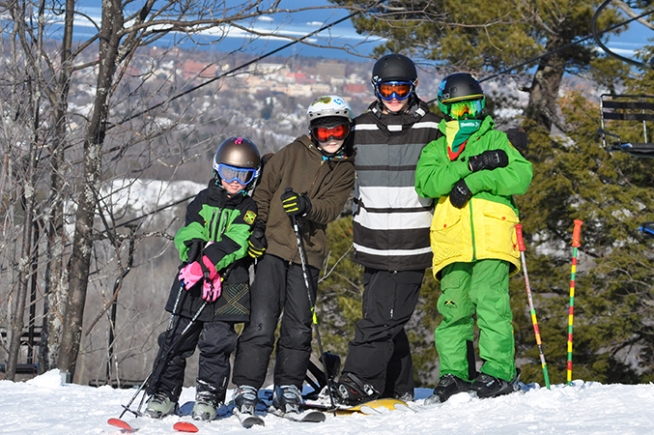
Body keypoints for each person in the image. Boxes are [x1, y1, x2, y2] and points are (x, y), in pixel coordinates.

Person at [231, 95, 356, 415]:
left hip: (307, 253)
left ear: (347, 130)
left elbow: (330, 208)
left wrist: (307, 207)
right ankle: (247, 385)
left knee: (299, 325)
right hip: (273, 247)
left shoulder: (345, 168)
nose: (331, 139)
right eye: (324, 133)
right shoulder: (290, 153)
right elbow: (262, 192)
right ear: (313, 132)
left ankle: (289, 384)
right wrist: (256, 231)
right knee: (261, 321)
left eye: (338, 132)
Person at [414, 72, 533, 403]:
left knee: (489, 300)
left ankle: (498, 371)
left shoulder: (496, 140)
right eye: (458, 110)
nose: (466, 116)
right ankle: (456, 373)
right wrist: (473, 165)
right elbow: (428, 183)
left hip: (493, 234)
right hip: (452, 240)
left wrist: (477, 183)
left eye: (472, 108)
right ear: (446, 111)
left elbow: (520, 176)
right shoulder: (436, 148)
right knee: (454, 308)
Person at [334, 53, 444, 405]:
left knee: (381, 320)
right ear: (375, 88)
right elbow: (325, 154)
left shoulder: (435, 127)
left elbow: (466, 150)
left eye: (401, 90)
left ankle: (359, 380)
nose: (394, 98)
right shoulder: (360, 127)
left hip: (412, 240)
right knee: (383, 317)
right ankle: (398, 386)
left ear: (413, 89)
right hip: (372, 239)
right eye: (387, 90)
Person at [144, 137, 261, 421]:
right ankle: (164, 392)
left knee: (217, 342)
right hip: (194, 281)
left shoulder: (249, 209)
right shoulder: (201, 200)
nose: (234, 182)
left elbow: (237, 241)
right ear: (217, 171)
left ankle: (208, 395)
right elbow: (188, 233)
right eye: (228, 173)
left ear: (252, 178)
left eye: (242, 176)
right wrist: (197, 259)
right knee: (176, 338)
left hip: (230, 284)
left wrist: (209, 263)